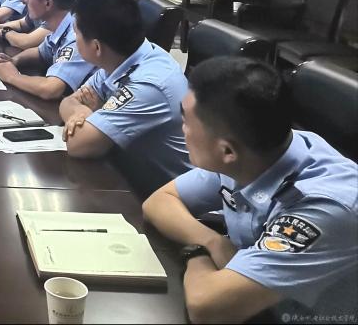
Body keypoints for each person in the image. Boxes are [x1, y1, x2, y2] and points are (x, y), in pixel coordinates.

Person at [143, 57, 357, 324]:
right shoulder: (253, 151)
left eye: (186, 121)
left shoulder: (325, 208)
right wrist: (213, 242)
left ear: (227, 151)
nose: (181, 128)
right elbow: (159, 201)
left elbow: (206, 307)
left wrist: (195, 251)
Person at [58, 0, 192, 195]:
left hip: (171, 196)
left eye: (76, 34)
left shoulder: (148, 85)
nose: (74, 40)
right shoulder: (120, 57)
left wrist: (92, 114)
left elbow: (78, 145)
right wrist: (81, 112)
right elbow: (68, 102)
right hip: (133, 174)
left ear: (96, 47)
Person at [0, 0, 95, 100]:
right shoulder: (61, 24)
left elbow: (50, 89)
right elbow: (40, 53)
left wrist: (11, 76)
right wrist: (13, 61)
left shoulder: (77, 35)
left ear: (47, 3)